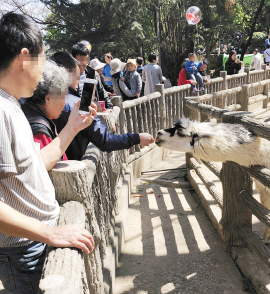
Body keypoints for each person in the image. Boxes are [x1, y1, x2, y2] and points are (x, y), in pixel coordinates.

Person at [0, 12, 96, 293]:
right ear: (24, 58)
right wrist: (49, 233)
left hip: (32, 243)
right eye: (42, 59)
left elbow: (34, 166)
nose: (43, 69)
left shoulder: (11, 104)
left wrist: (72, 128)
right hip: (24, 250)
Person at [50, 53, 155, 160]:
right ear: (67, 73)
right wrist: (136, 138)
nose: (79, 80)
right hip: (77, 161)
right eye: (78, 75)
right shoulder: (78, 104)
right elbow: (105, 140)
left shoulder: (44, 101)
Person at [21, 60, 74, 162]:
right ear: (48, 99)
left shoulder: (25, 110)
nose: (64, 103)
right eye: (63, 97)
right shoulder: (39, 133)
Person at [72, 42, 113, 110]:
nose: (85, 64)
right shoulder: (69, 76)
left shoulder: (91, 73)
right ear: (74, 59)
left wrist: (109, 107)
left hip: (89, 112)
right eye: (82, 61)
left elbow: (101, 91)